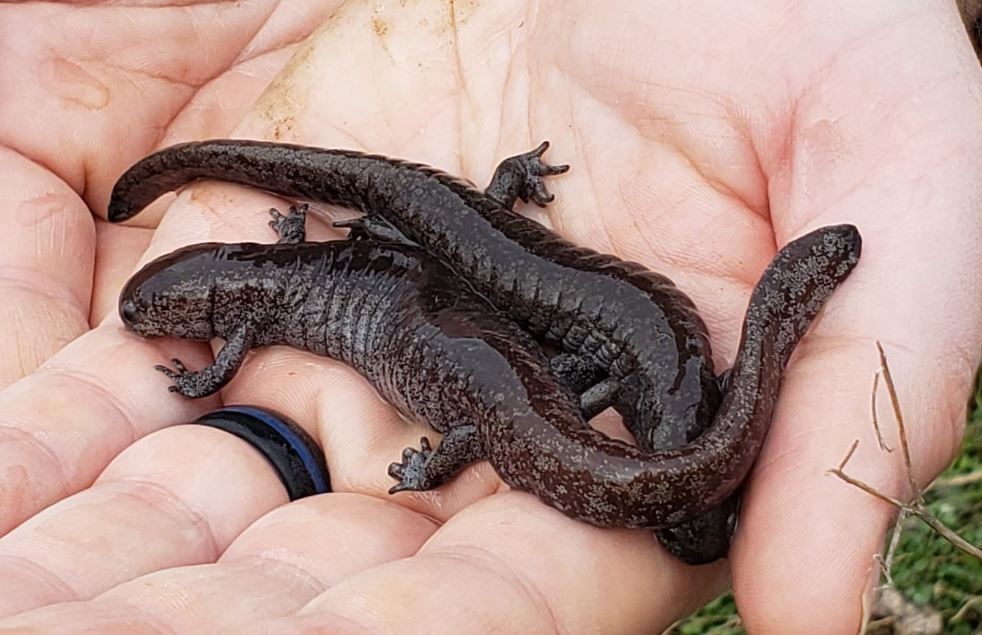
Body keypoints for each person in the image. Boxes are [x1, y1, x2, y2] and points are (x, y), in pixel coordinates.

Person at [0, 1, 978, 632]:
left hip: (456, 260)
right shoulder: (606, 388)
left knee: (482, 271)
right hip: (451, 256)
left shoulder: (612, 393)